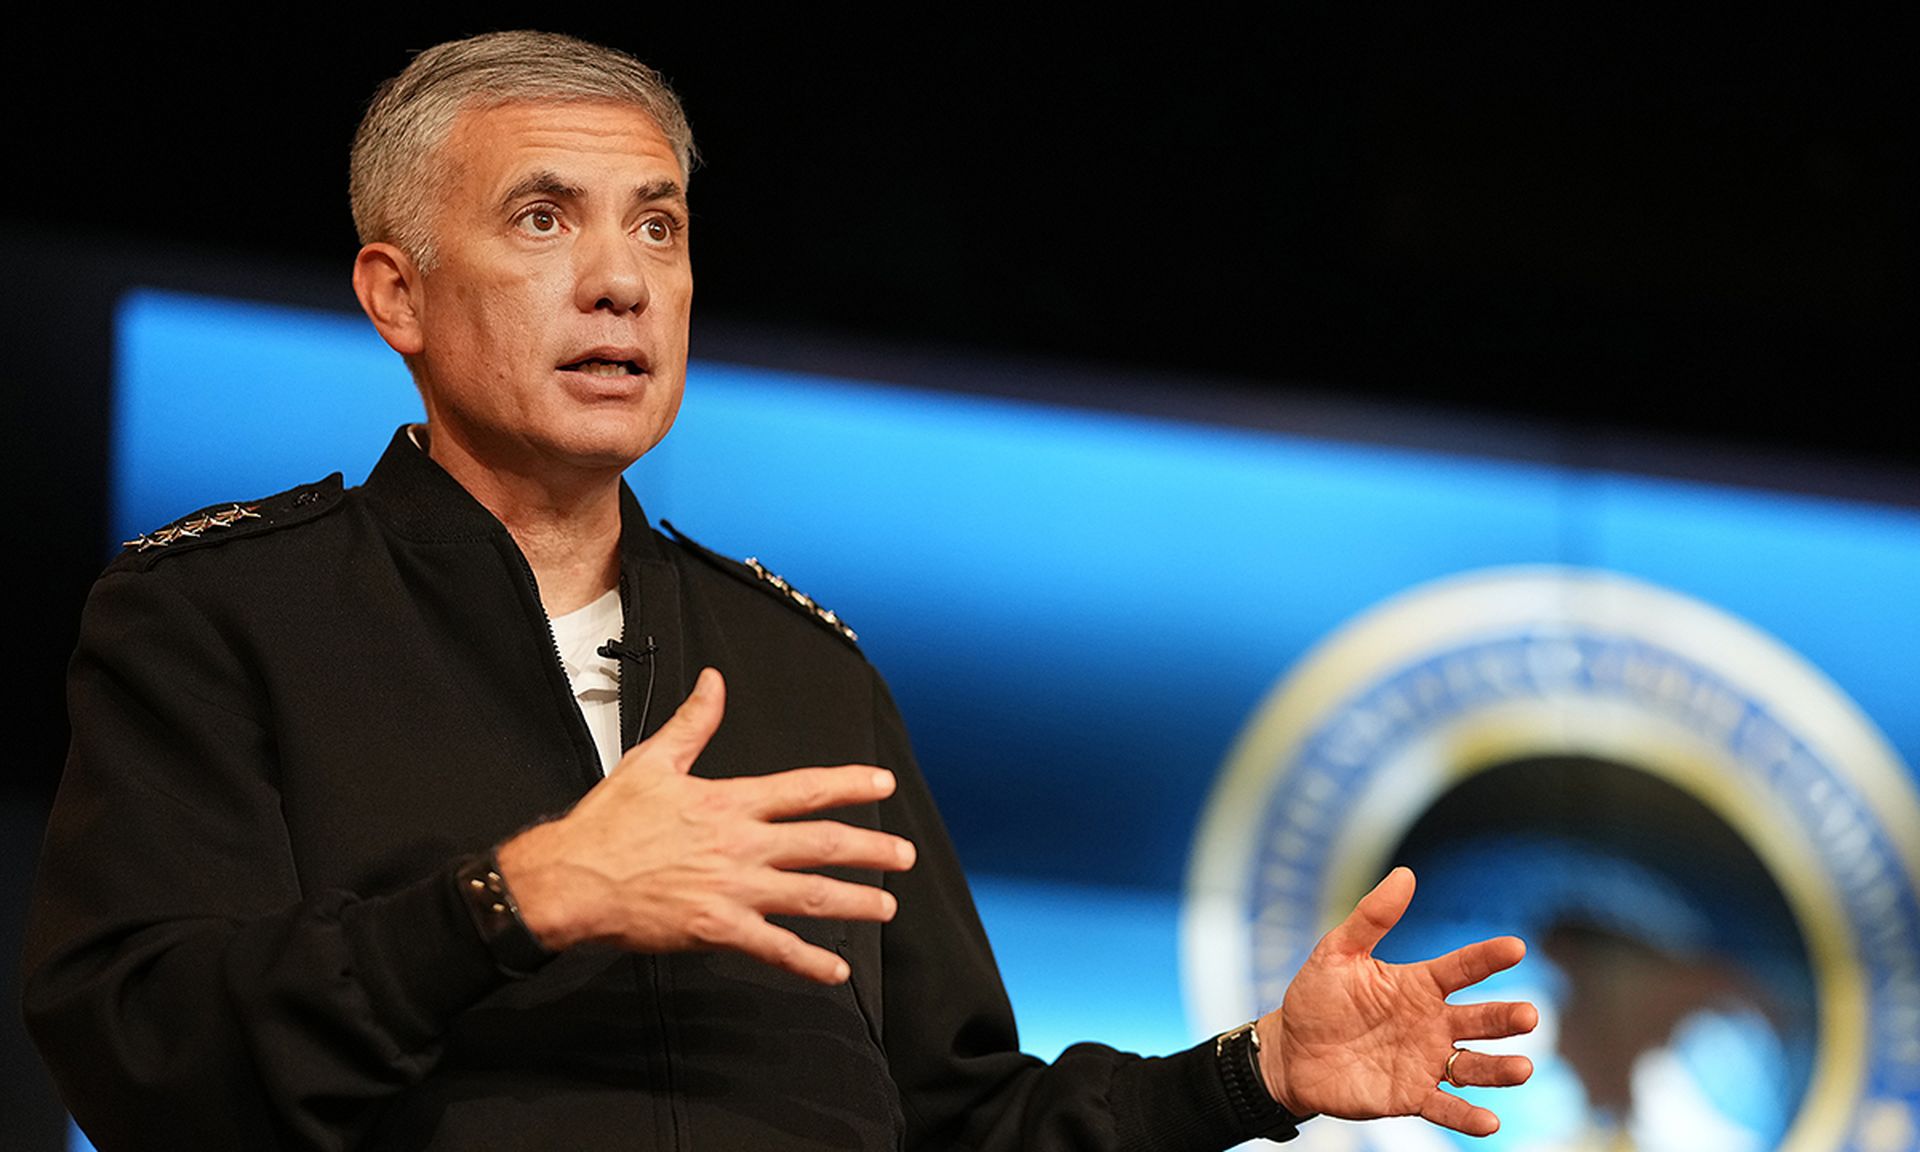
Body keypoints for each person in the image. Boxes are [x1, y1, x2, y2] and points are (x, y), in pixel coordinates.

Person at [23, 30, 1537, 1151]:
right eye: (545, 220)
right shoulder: (223, 620)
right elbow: (141, 1056)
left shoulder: (803, 672)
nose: (619, 280)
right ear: (395, 293)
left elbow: (956, 1121)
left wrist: (1249, 1076)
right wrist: (517, 901)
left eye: (658, 224)